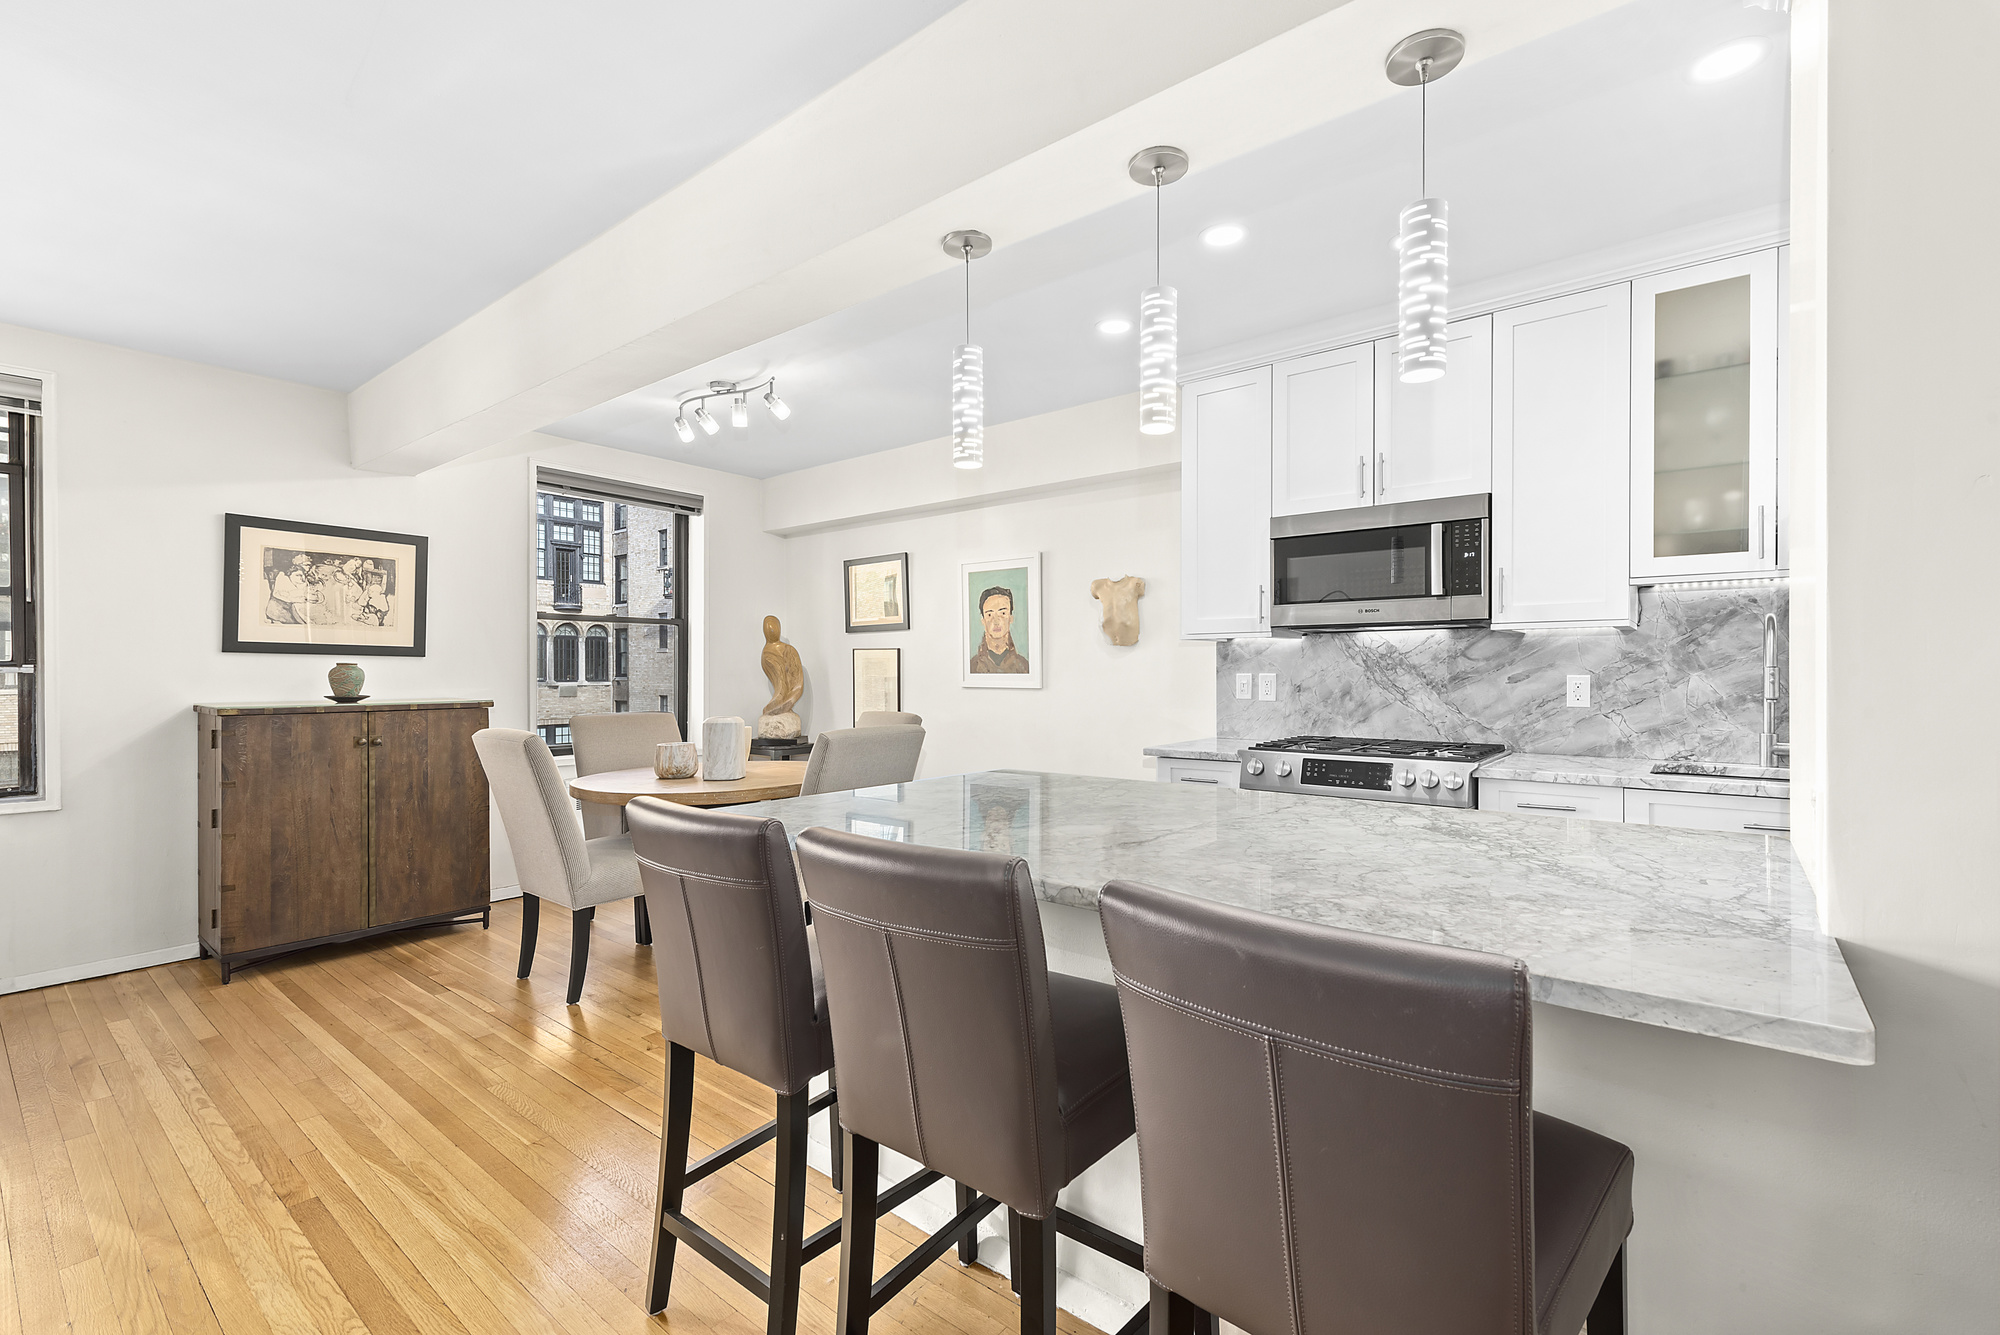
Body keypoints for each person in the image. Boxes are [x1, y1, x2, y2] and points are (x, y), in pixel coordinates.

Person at [970, 585, 1030, 674]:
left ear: (1011, 618)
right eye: (989, 615)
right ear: (983, 621)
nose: (996, 621)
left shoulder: (1024, 666)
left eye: (1003, 613)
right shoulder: (972, 666)